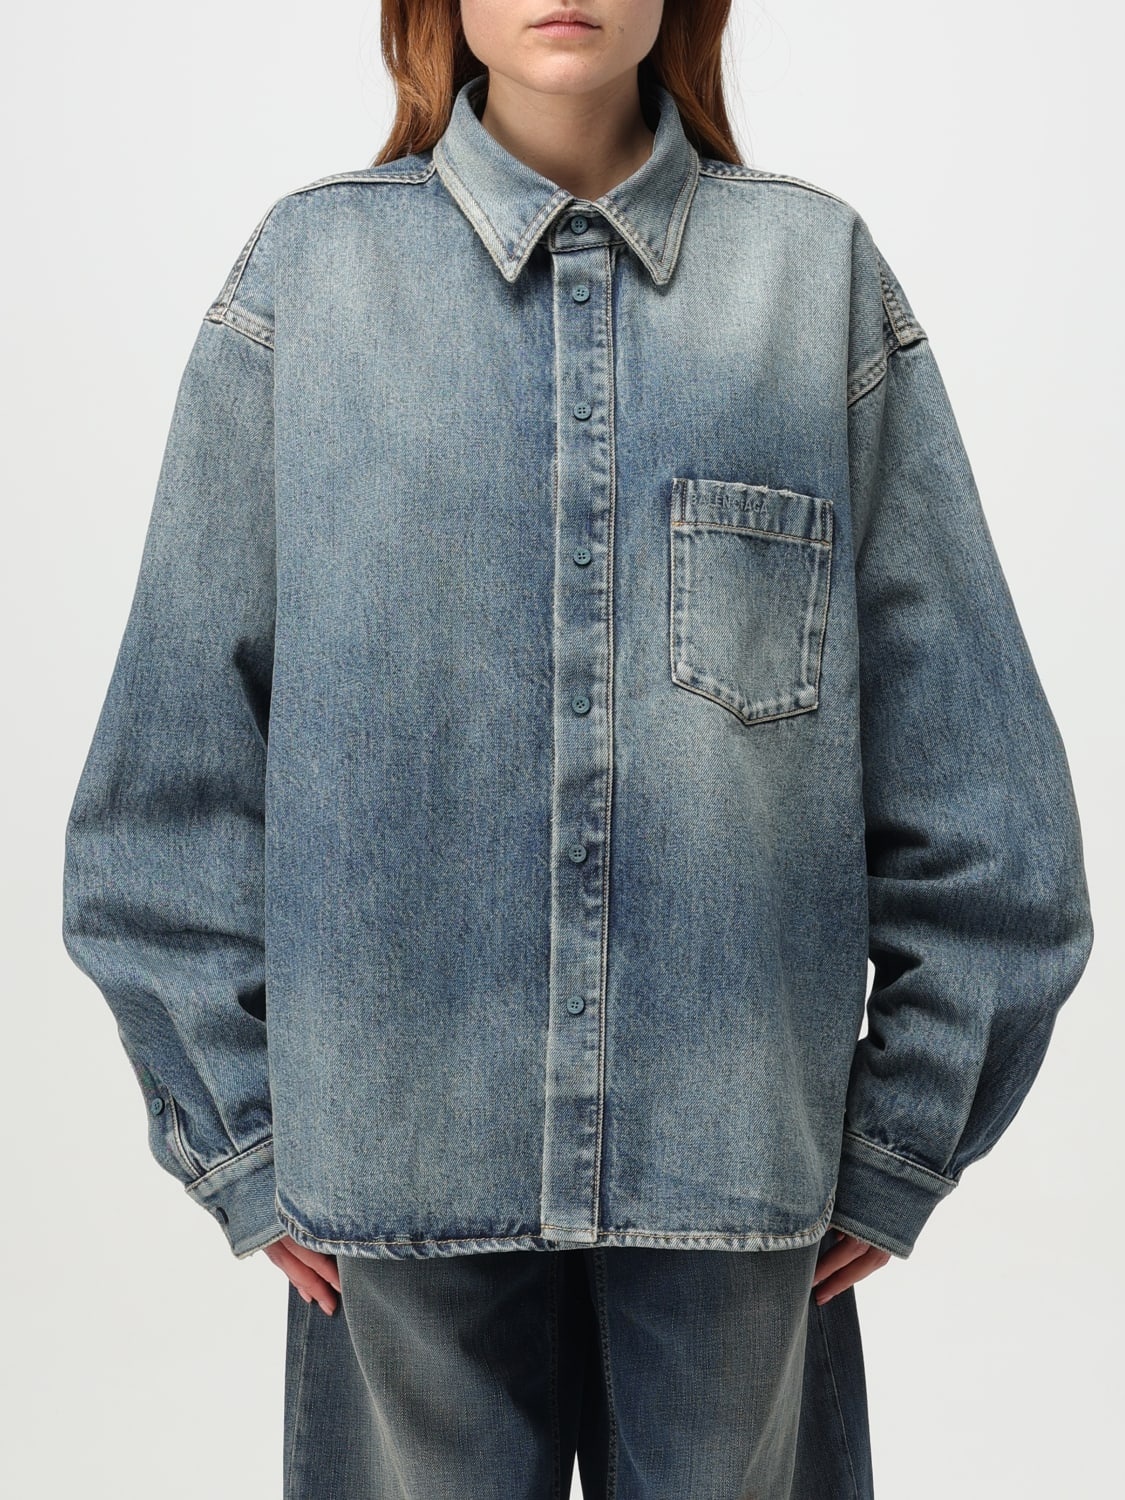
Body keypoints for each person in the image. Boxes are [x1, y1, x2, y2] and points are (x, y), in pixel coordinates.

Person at [60, 2, 1094, 1496]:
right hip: (391, 1172)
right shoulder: (312, 281)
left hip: (738, 1175)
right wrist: (243, 1136)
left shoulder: (809, 280)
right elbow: (169, 773)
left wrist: (905, 1133)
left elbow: (972, 770)